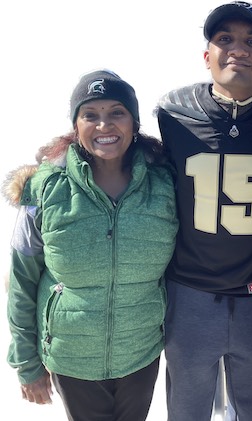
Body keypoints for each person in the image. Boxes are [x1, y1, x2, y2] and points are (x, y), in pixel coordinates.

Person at [155, 2, 252, 420]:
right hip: (188, 294)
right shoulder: (172, 111)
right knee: (186, 413)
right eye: (224, 39)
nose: (238, 49)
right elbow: (124, 156)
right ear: (207, 56)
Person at [2, 69, 178, 421]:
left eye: (117, 113)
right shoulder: (44, 190)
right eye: (90, 115)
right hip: (71, 357)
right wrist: (26, 363)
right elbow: (21, 280)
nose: (104, 126)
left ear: (134, 122)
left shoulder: (166, 185)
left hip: (139, 352)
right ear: (75, 125)